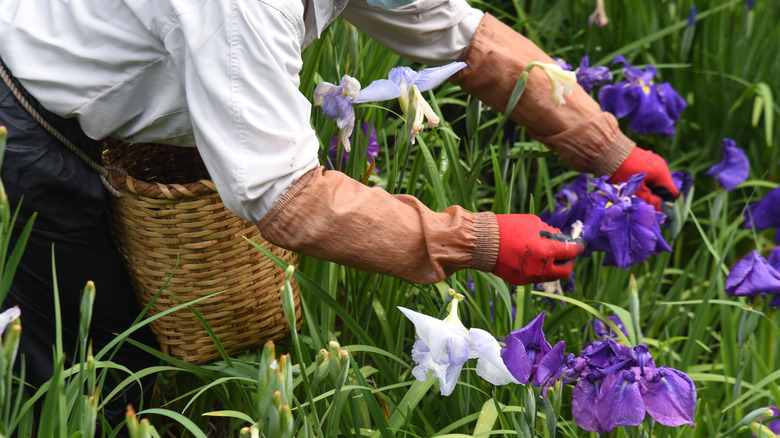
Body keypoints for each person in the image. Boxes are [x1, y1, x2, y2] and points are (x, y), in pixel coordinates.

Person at [0, 0, 679, 428]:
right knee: (83, 364)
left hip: (114, 116)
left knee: (131, 347)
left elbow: (460, 36)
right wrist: (477, 241)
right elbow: (282, 196)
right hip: (31, 121)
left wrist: (607, 148)